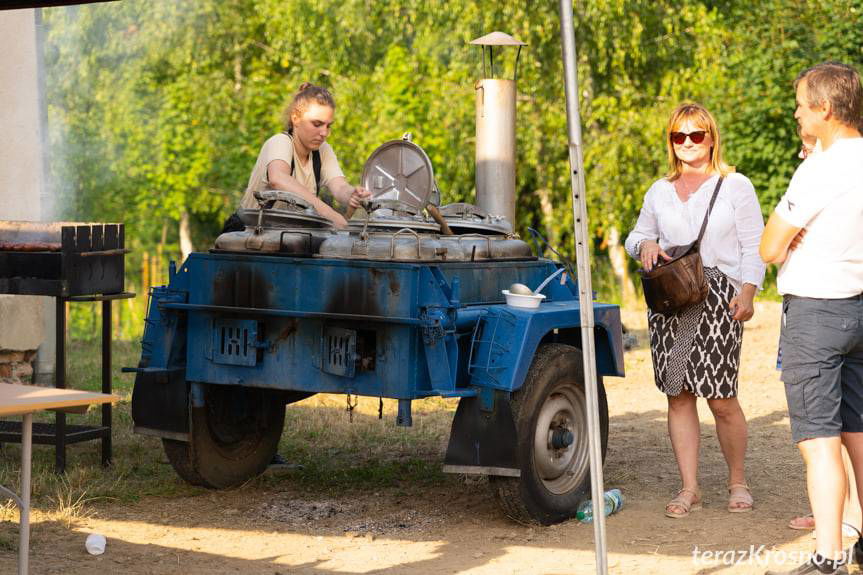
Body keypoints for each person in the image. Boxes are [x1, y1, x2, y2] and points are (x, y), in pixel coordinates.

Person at [625, 103, 766, 519]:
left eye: (696, 135)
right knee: (678, 395)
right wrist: (645, 246)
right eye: (678, 136)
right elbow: (636, 236)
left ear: (711, 137)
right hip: (671, 302)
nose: (688, 143)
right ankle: (689, 488)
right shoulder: (659, 190)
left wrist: (749, 293)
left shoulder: (735, 185)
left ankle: (737, 481)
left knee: (721, 398)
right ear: (671, 141)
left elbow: (753, 246)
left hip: (720, 296)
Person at [760, 61, 863, 575]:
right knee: (859, 432)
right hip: (859, 307)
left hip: (817, 312)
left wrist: (792, 234)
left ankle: (828, 557)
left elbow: (770, 245)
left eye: (802, 103)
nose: (797, 111)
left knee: (819, 441)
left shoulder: (820, 170)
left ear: (824, 109)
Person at [238, 82, 370, 228]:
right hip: (249, 235)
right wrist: (329, 214)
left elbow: (339, 187)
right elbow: (278, 178)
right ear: (296, 118)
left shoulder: (323, 150)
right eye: (317, 124)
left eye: (328, 126)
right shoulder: (280, 142)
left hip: (289, 238)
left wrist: (352, 194)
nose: (324, 133)